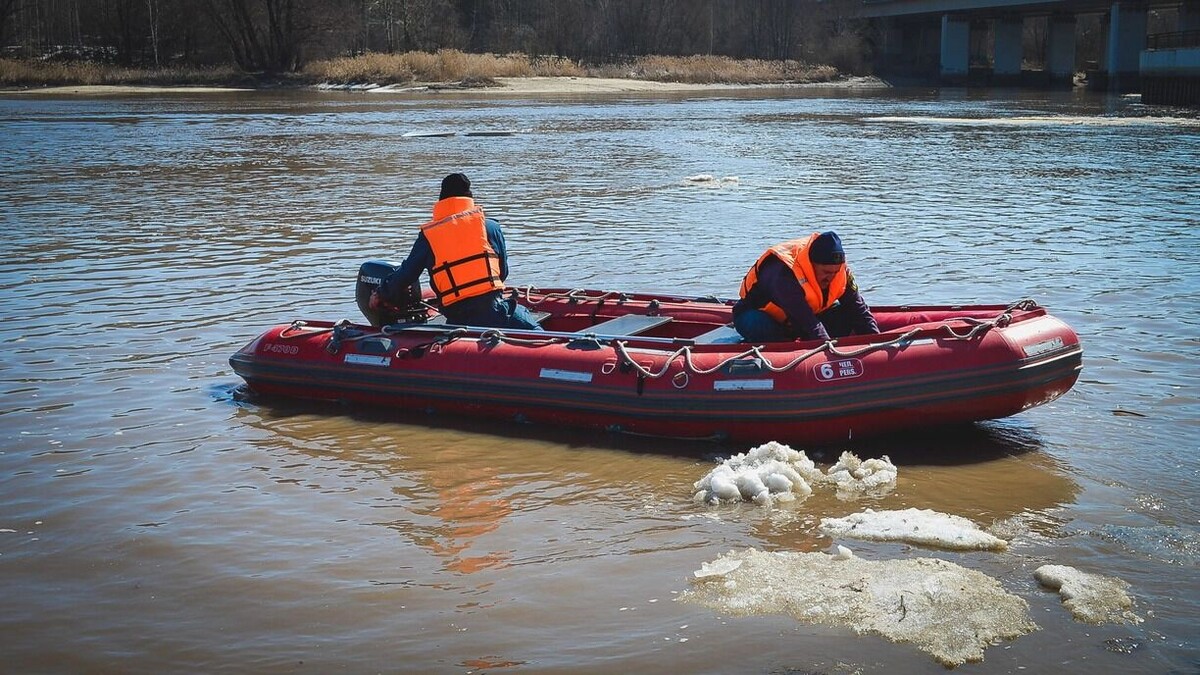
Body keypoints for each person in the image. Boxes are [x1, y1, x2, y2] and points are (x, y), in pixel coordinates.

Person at [371, 173, 543, 330]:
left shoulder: (429, 236)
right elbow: (502, 273)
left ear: (441, 200)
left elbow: (406, 274)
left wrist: (381, 293)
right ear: (469, 199)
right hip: (495, 311)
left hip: (458, 318)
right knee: (538, 332)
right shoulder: (491, 227)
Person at [732, 231, 879, 343]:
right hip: (761, 316)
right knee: (757, 323)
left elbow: (859, 309)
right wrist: (827, 348)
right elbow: (806, 320)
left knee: (846, 314)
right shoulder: (784, 273)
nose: (831, 278)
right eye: (826, 272)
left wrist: (876, 342)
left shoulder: (842, 273)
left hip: (801, 319)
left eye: (835, 272)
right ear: (811, 265)